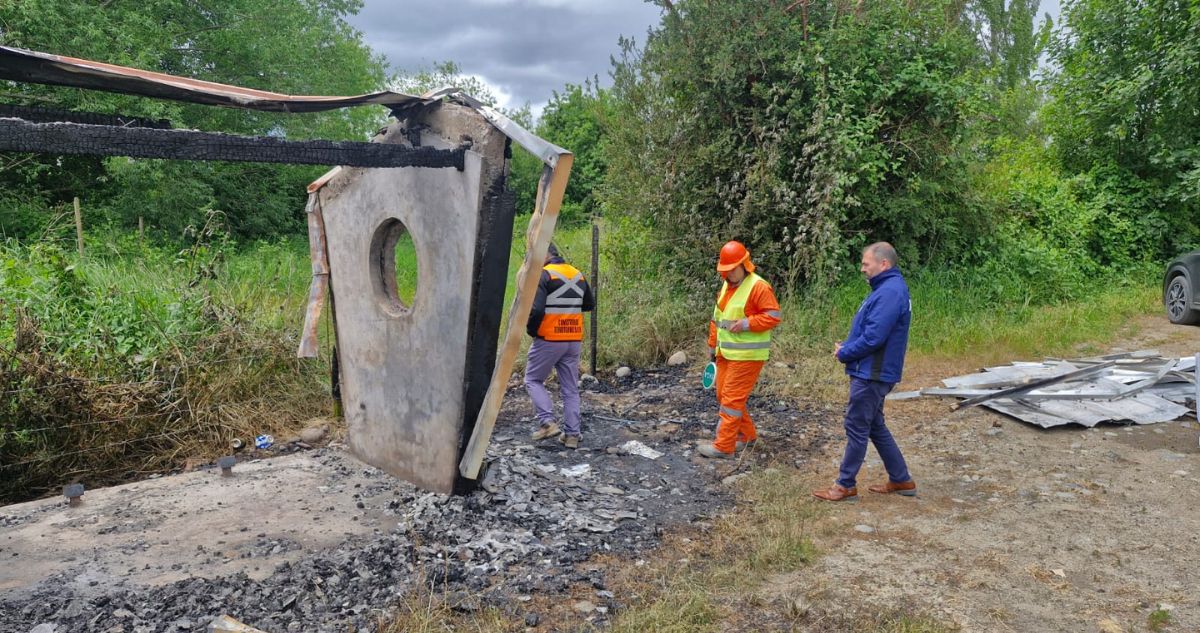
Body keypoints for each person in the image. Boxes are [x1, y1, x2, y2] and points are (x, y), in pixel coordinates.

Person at [813, 242, 916, 501]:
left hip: (872, 373)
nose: (862, 269)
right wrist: (848, 346)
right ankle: (901, 479)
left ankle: (845, 485)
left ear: (884, 264)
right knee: (874, 425)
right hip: (873, 370)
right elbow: (871, 332)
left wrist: (844, 353)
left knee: (857, 425)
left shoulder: (890, 292)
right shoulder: (885, 289)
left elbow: (873, 337)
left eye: (865, 263)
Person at [699, 241, 782, 459]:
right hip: (726, 353)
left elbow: (773, 316)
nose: (728, 275)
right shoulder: (727, 284)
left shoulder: (758, 286)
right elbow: (717, 318)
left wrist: (746, 323)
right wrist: (712, 345)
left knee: (732, 400)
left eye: (732, 270)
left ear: (745, 264)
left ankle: (724, 446)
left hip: (747, 355)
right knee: (722, 394)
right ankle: (746, 436)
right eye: (725, 271)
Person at [526, 243, 595, 449]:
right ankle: (572, 435)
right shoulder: (577, 274)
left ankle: (547, 422)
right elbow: (589, 305)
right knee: (570, 388)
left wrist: (533, 331)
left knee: (533, 379)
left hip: (549, 339)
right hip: (573, 339)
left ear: (544, 253)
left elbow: (536, 310)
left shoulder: (545, 274)